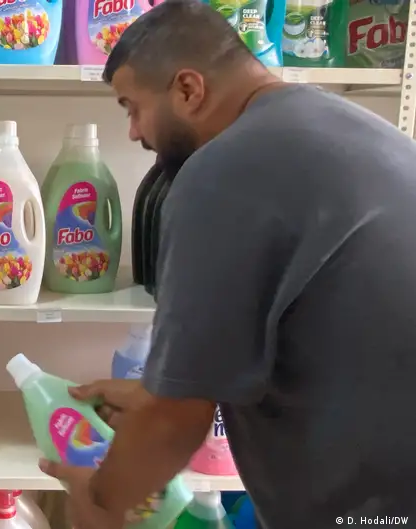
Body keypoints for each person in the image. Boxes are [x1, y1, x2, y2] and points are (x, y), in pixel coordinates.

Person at [38, 2, 416, 528]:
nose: (132, 132)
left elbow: (176, 421)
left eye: (132, 107)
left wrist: (99, 502)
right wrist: (156, 393)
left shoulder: (220, 173)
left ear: (188, 90)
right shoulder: (352, 129)